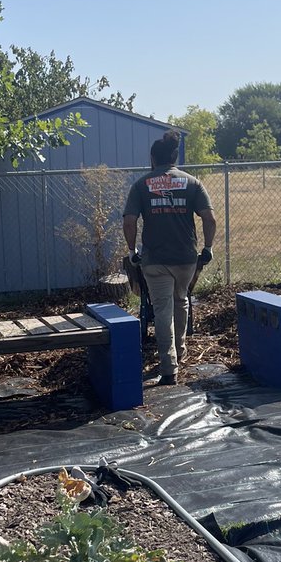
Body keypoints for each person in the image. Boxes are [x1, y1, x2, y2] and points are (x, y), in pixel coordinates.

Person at [123, 132, 217, 385]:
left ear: (153, 158)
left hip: (155, 260)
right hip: (186, 258)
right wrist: (208, 247)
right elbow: (209, 219)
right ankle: (180, 350)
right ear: (174, 157)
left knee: (162, 309)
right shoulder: (193, 183)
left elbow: (129, 221)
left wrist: (132, 251)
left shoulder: (141, 185)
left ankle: (168, 367)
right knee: (181, 300)